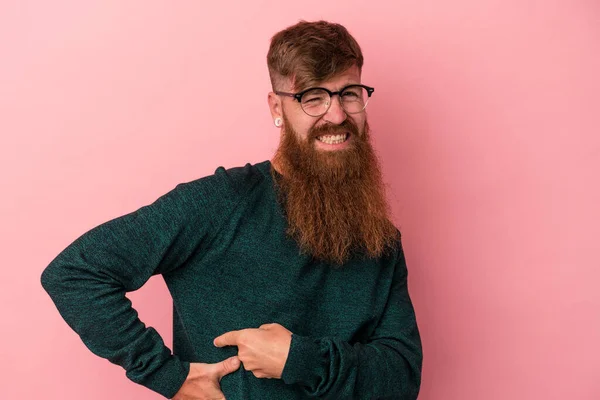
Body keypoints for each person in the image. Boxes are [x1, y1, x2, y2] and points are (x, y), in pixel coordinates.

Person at [41, 20, 423, 400]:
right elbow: (75, 273)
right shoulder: (220, 203)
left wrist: (299, 359)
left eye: (350, 94)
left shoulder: (380, 237)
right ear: (277, 107)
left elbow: (403, 378)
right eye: (313, 97)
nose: (337, 115)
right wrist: (168, 376)